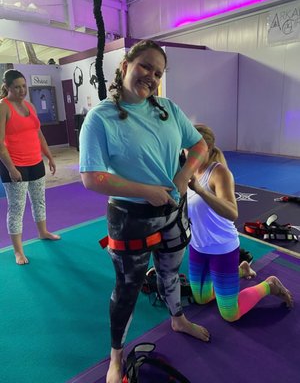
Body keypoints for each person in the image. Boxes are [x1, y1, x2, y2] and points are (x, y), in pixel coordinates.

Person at [79, 39, 210, 383]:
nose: (150, 76)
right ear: (125, 65)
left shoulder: (167, 108)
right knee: (127, 289)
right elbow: (92, 178)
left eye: (158, 72)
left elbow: (200, 144)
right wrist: (145, 192)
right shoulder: (100, 118)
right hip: (129, 219)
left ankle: (177, 318)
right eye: (145, 66)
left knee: (170, 273)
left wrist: (183, 177)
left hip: (173, 211)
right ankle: (116, 357)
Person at [187, 124, 293, 323]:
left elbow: (232, 213)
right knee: (200, 299)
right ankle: (241, 270)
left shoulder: (219, 173)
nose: (188, 155)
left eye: (194, 150)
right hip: (197, 246)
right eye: (186, 149)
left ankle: (270, 285)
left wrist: (200, 190)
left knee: (230, 314)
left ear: (207, 149)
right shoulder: (188, 172)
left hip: (222, 248)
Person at [0, 69, 60, 265]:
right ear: (7, 88)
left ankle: (42, 232)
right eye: (16, 87)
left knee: (39, 200)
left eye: (23, 86)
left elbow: (38, 134)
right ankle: (18, 251)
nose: (21, 90)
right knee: (17, 207)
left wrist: (49, 156)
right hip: (15, 165)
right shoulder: (3, 107)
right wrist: (11, 168)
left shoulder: (30, 106)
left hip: (35, 162)